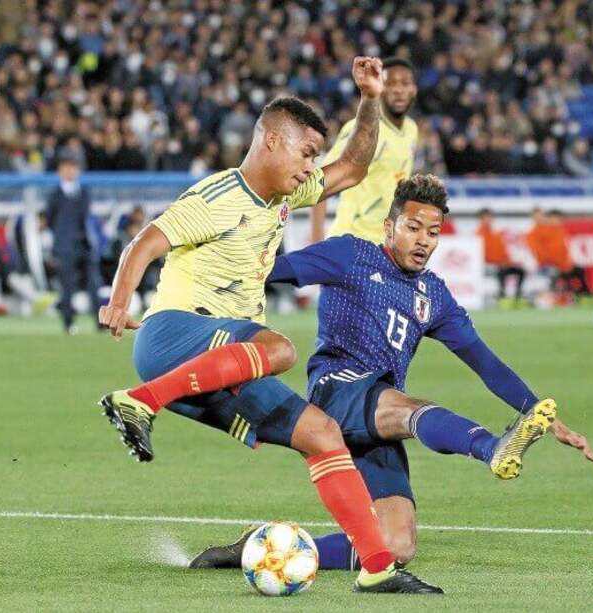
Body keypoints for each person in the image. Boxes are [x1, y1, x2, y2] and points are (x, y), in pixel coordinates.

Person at [97, 58, 441, 595]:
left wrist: (370, 99)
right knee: (279, 347)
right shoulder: (219, 196)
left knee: (323, 435)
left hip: (221, 364)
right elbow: (144, 243)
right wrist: (120, 301)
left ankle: (377, 567)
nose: (311, 167)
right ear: (271, 143)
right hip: (173, 339)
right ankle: (138, 401)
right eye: (306, 153)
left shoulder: (284, 195)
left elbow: (352, 166)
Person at [188, 175, 593, 572]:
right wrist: (197, 289)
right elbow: (269, 271)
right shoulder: (350, 255)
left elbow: (487, 364)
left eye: (433, 232)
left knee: (395, 546)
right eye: (413, 227)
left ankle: (265, 550)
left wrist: (547, 419)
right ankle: (492, 448)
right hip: (336, 390)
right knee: (410, 409)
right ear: (390, 226)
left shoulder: (433, 295)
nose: (423, 240)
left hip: (377, 416)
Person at [310, 57, 418, 244]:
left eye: (405, 83)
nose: (399, 90)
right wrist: (315, 243)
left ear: (414, 89)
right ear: (380, 88)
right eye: (390, 83)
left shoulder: (411, 129)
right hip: (351, 241)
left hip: (386, 244)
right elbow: (319, 182)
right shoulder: (362, 129)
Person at [46, 154, 102, 334]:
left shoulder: (84, 193)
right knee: (67, 287)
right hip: (65, 247)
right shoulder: (54, 195)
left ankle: (100, 323)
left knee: (94, 284)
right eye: (66, 167)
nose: (70, 171)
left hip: (84, 245)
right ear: (60, 171)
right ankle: (68, 323)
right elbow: (50, 220)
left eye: (73, 167)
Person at [526, 208, 590, 302]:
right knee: (560, 273)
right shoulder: (536, 232)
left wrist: (565, 263)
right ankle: (563, 297)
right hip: (547, 264)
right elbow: (540, 252)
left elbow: (563, 251)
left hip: (560, 264)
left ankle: (583, 296)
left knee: (579, 271)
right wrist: (556, 263)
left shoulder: (559, 230)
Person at [476, 208, 526, 307]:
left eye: (490, 217)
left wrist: (508, 261)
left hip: (502, 263)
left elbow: (502, 251)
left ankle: (517, 296)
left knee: (520, 271)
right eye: (486, 217)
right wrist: (498, 262)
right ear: (481, 219)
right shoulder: (479, 235)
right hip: (490, 264)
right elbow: (483, 254)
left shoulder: (495, 234)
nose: (489, 219)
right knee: (501, 272)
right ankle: (502, 297)